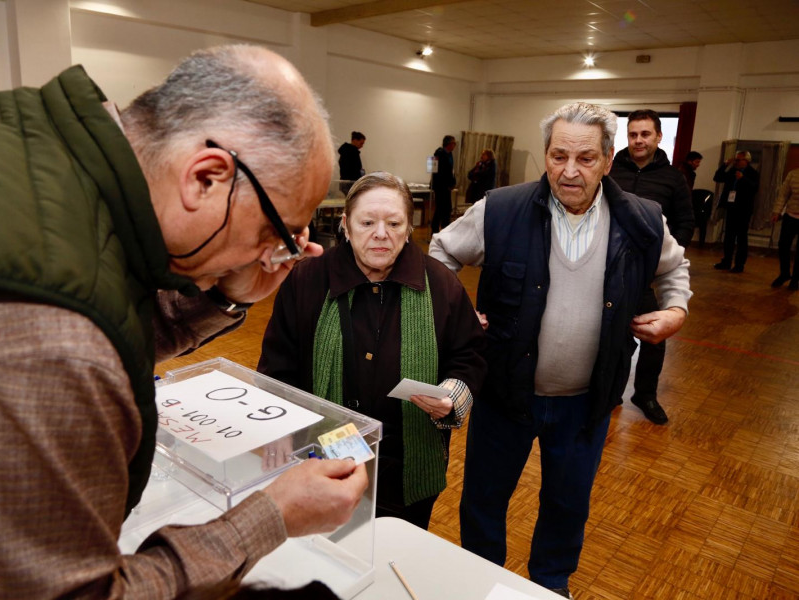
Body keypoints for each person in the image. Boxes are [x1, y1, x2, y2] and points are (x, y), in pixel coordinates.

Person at [0, 45, 369, 598]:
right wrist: (270, 515)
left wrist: (222, 289)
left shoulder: (32, 139)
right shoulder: (45, 347)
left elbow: (101, 301)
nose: (274, 255)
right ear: (206, 179)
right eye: (279, 232)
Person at [430, 102, 691, 598]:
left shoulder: (641, 219)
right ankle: (479, 582)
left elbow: (675, 269)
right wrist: (457, 309)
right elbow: (440, 252)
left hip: (586, 402)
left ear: (608, 160)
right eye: (558, 155)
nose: (569, 171)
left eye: (586, 158)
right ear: (546, 155)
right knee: (484, 500)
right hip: (505, 396)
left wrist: (676, 311)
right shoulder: (500, 210)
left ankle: (550, 585)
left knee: (567, 505)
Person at [258, 172, 486, 530]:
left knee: (399, 556)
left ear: (409, 227)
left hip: (406, 468)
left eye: (394, 223)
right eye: (367, 222)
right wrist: (281, 432)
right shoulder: (308, 280)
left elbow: (469, 355)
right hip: (320, 461)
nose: (381, 233)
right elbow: (276, 366)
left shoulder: (440, 283)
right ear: (346, 225)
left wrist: (451, 397)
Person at [609, 109, 694, 425]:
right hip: (608, 270)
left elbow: (685, 222)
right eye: (633, 134)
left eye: (645, 134)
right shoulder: (610, 170)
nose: (638, 140)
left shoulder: (673, 178)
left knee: (653, 336)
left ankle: (645, 394)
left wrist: (666, 255)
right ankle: (612, 391)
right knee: (610, 336)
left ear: (659, 137)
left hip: (644, 275)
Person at [713, 150, 760, 273]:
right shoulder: (732, 171)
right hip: (731, 207)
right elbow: (717, 177)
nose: (737, 162)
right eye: (736, 159)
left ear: (747, 161)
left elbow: (754, 188)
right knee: (728, 236)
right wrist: (725, 164)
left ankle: (739, 264)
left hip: (743, 210)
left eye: (739, 160)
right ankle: (727, 261)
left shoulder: (752, 173)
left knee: (741, 238)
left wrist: (743, 178)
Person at [771, 167, 799, 290]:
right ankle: (785, 273)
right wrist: (776, 211)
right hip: (790, 215)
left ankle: (795, 279)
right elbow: (783, 194)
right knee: (783, 245)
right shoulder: (793, 174)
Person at [431, 135, 457, 235]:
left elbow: (451, 171)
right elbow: (441, 173)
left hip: (446, 187)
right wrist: (449, 183)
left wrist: (453, 182)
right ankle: (436, 229)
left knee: (445, 209)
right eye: (453, 143)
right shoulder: (440, 154)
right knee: (441, 208)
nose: (454, 145)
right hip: (441, 187)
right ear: (449, 144)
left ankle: (444, 229)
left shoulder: (449, 155)